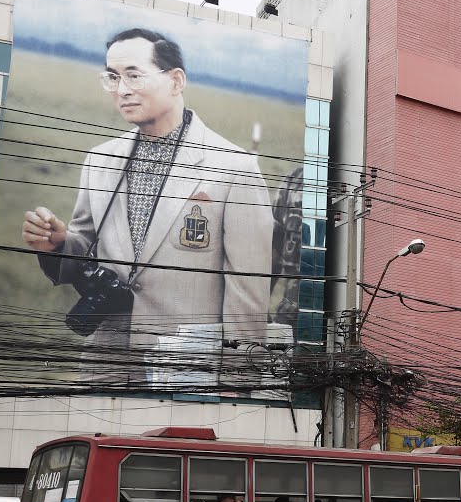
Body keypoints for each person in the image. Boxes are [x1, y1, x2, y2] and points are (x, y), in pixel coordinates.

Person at [21, 27, 273, 386]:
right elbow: (84, 250)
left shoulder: (235, 168)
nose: (122, 90)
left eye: (134, 75)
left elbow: (247, 292)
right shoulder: (101, 160)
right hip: (104, 364)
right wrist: (59, 244)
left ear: (175, 81)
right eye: (112, 77)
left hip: (187, 370)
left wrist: (238, 386)